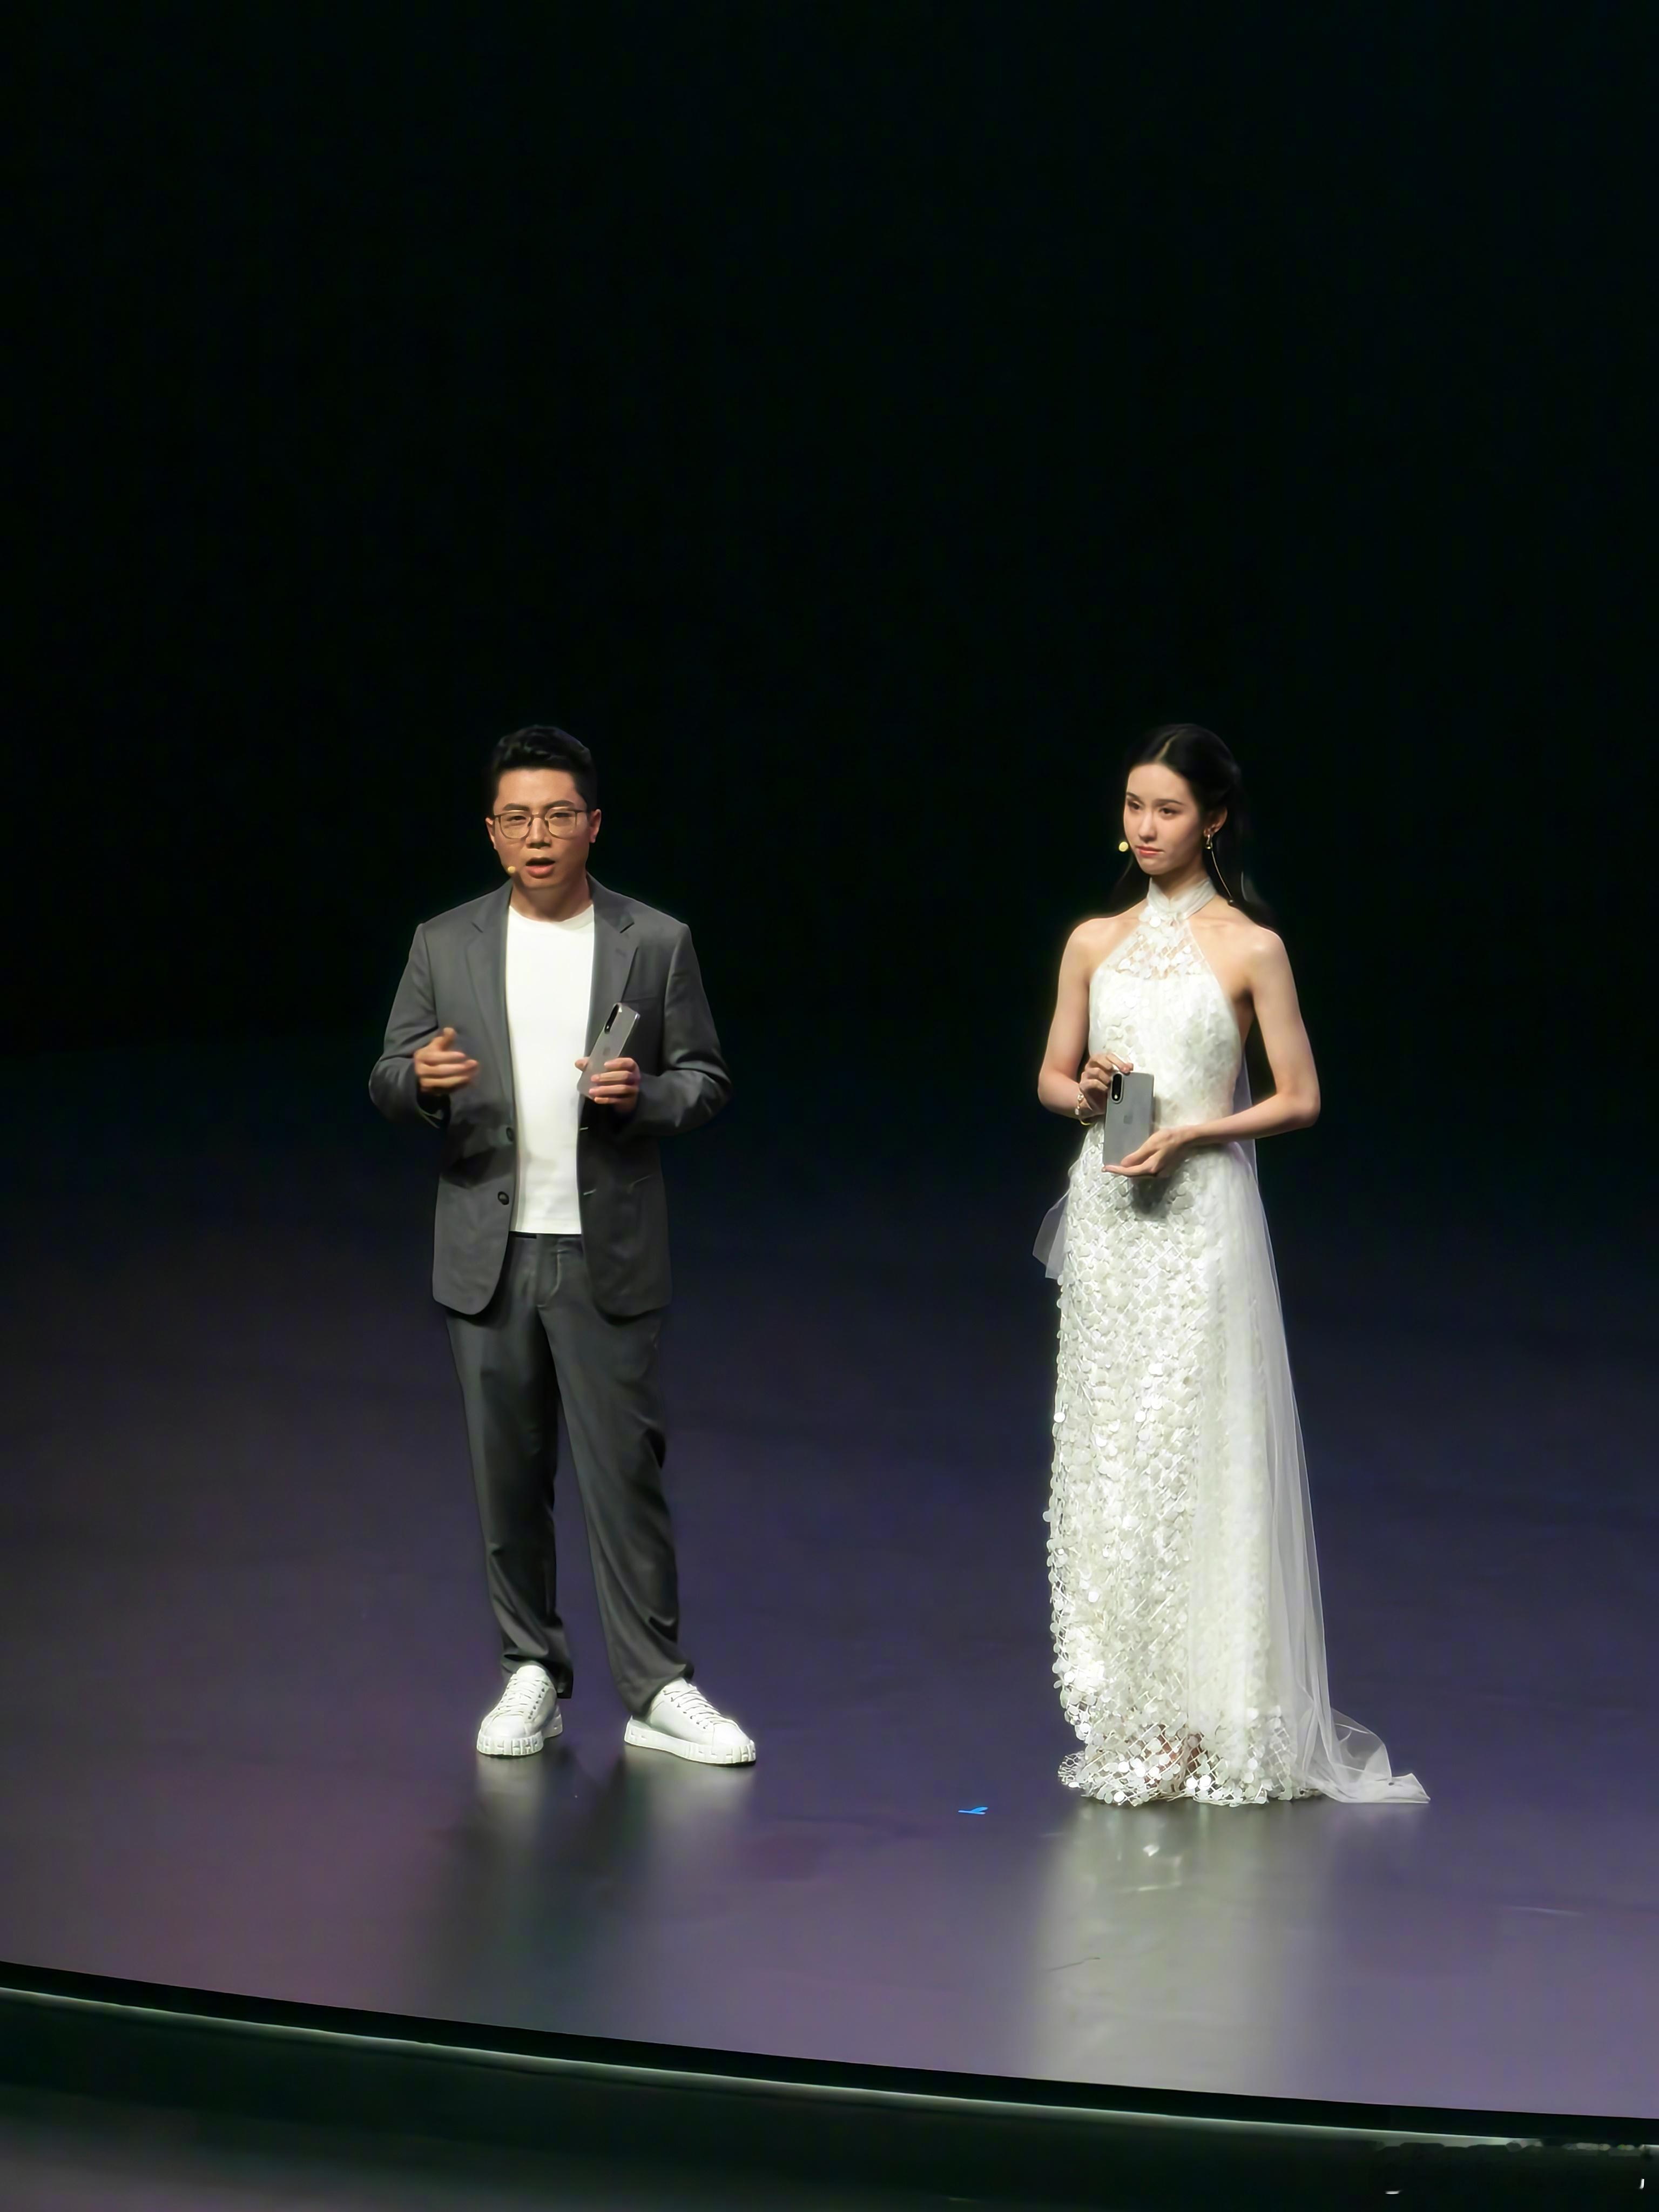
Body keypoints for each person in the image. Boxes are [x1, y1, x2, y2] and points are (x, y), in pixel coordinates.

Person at [1035, 725, 1424, 1806]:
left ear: (1211, 819)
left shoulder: (1252, 947)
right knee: (1116, 1460)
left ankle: (1211, 1713)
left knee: (1196, 1452)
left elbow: (1300, 1096)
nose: (1144, 827)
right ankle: (1138, 1707)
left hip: (1200, 1218)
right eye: (1133, 806)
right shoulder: (1092, 940)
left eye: (1167, 809)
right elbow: (1051, 1077)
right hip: (1113, 1218)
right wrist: (1088, 1092)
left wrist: (1198, 1132)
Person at [370, 724, 756, 1766]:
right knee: (508, 1478)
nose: (537, 836)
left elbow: (707, 1079)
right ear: (493, 834)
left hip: (604, 1245)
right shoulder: (444, 942)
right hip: (487, 1245)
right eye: (517, 819)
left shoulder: (653, 940)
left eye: (556, 816)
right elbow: (390, 1074)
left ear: (593, 825)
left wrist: (647, 1095)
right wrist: (420, 1083)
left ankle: (657, 1687)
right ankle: (529, 1671)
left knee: (624, 1475)